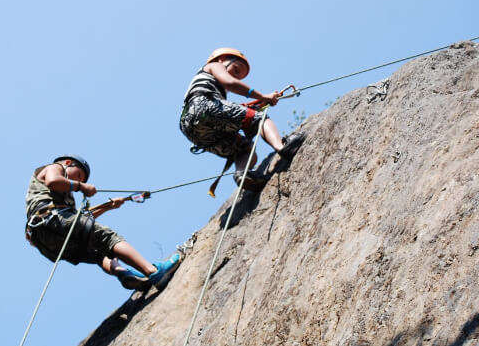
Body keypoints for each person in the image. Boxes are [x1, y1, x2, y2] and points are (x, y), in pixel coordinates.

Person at [24, 155, 180, 291]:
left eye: (79, 179)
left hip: (48, 241)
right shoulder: (55, 168)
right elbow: (53, 181)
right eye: (78, 174)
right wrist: (81, 186)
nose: (76, 180)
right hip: (53, 220)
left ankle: (124, 273)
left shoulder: (63, 197)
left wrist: (108, 206)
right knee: (108, 238)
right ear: (67, 162)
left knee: (98, 252)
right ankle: (153, 271)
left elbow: (82, 221)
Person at [179, 48, 305, 192]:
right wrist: (262, 96)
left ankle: (242, 175)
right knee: (259, 119)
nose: (235, 76)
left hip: (192, 128)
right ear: (222, 59)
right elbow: (230, 83)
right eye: (236, 69)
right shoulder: (214, 66)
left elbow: (225, 113)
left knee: (244, 149)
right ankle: (282, 148)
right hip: (202, 106)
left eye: (239, 76)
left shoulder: (208, 85)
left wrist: (258, 104)